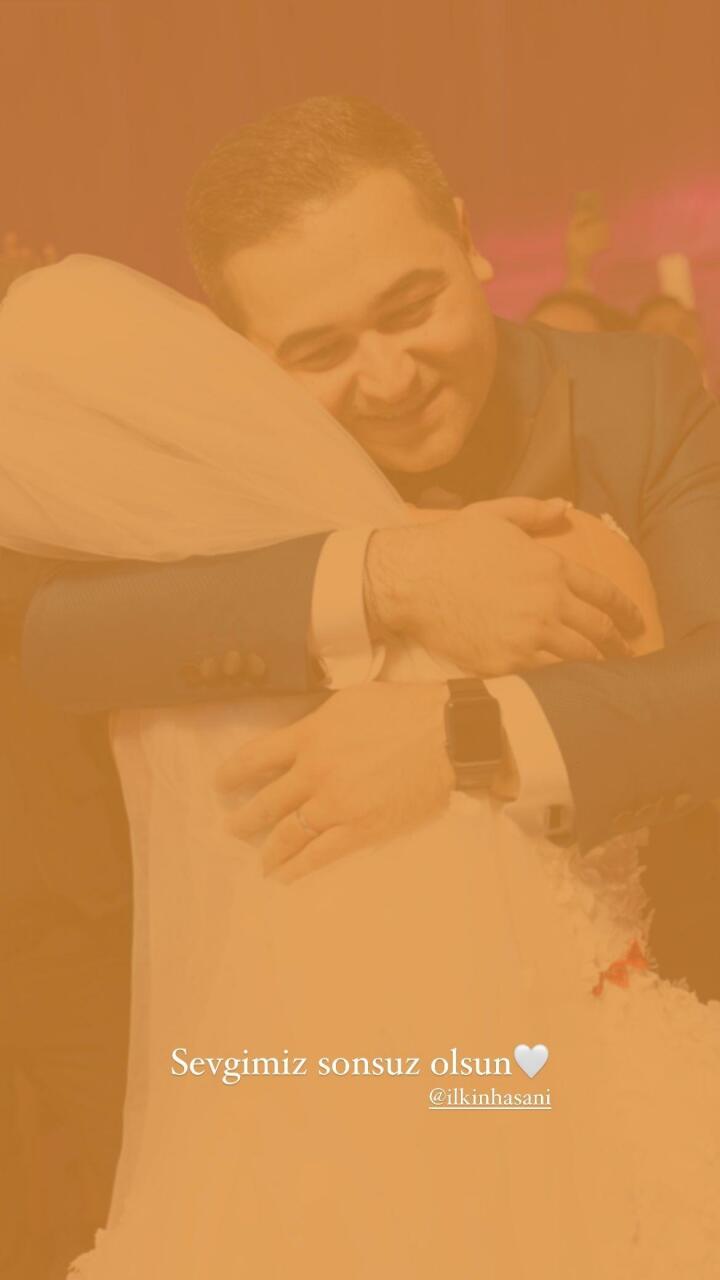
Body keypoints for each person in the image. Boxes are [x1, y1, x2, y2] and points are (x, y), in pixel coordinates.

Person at [1, 96, 718, 1272]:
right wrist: (390, 576)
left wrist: (465, 730)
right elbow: (61, 638)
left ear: (467, 239)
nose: (389, 376)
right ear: (243, 354)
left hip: (624, 1016)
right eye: (318, 351)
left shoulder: (631, 391)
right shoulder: (209, 467)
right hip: (340, 1070)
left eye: (412, 306)